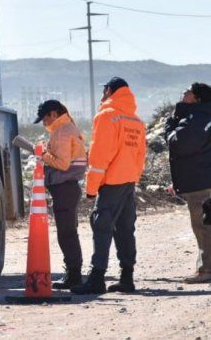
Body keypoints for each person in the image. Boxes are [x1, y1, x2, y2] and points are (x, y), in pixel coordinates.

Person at [71, 77, 146, 295]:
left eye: (104, 89)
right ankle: (127, 278)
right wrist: (133, 177)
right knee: (125, 229)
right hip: (129, 181)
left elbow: (100, 155)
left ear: (109, 90)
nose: (102, 94)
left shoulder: (107, 116)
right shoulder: (136, 120)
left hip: (111, 182)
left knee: (101, 227)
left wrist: (91, 188)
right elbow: (141, 156)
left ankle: (97, 278)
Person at [164, 82, 211, 284]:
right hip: (202, 177)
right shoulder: (200, 115)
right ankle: (204, 268)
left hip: (200, 180)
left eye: (188, 91)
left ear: (196, 98)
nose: (184, 92)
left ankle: (207, 270)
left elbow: (179, 143)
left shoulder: (197, 118)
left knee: (203, 225)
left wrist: (170, 125)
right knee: (202, 224)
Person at [34, 99, 87, 289]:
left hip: (64, 186)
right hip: (69, 187)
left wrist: (42, 154)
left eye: (44, 118)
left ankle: (74, 276)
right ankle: (74, 274)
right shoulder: (69, 127)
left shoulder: (62, 132)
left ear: (54, 114)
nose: (44, 123)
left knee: (66, 233)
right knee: (69, 231)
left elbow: (63, 164)